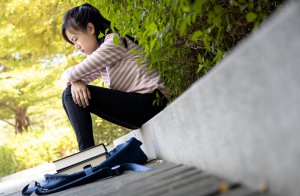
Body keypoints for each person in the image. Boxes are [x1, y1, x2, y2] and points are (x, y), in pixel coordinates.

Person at [61, 3, 169, 151]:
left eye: (75, 39)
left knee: (69, 95)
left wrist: (74, 79)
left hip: (152, 101)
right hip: (141, 105)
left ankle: (87, 153)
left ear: (90, 28)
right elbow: (71, 79)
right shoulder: (103, 55)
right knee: (69, 93)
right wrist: (75, 82)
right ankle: (88, 154)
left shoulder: (114, 42)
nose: (77, 46)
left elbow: (72, 74)